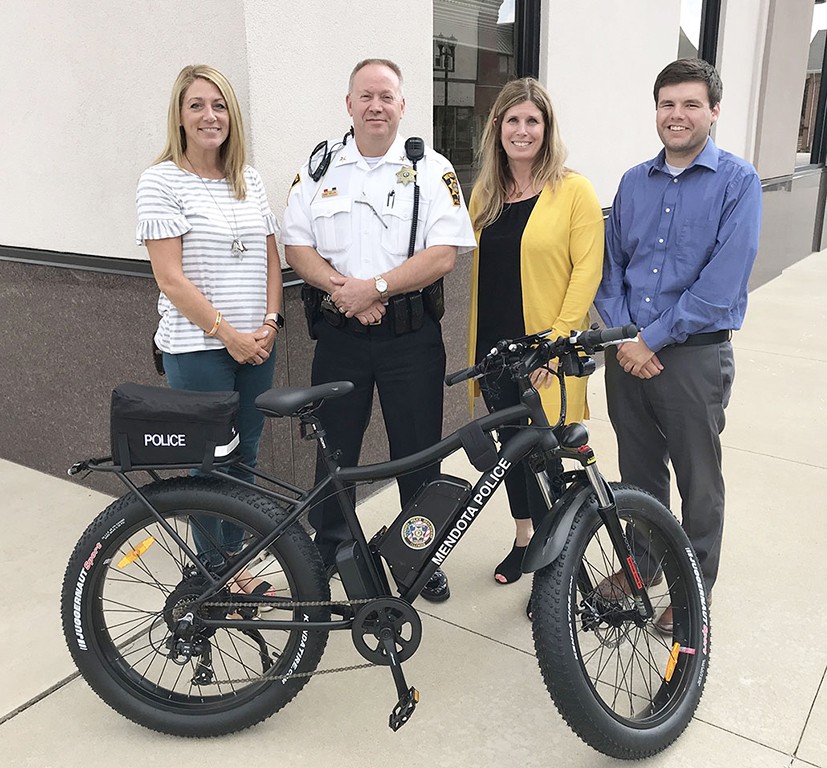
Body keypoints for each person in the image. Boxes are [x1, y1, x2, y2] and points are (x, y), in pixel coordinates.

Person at [282, 58, 477, 601]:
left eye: (386, 96)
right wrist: (345, 290)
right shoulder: (320, 170)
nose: (375, 106)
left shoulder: (433, 170)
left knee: (418, 452)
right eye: (365, 96)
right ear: (348, 104)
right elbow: (295, 245)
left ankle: (419, 558)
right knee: (333, 449)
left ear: (402, 106)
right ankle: (326, 552)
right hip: (341, 334)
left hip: (410, 340)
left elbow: (442, 256)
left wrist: (378, 288)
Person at [594, 58, 762, 632]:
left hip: (692, 356)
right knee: (638, 470)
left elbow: (720, 287)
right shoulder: (632, 182)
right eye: (668, 103)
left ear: (714, 111)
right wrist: (623, 337)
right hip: (627, 354)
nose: (678, 115)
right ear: (656, 109)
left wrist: (651, 339)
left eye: (692, 104)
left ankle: (695, 588)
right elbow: (610, 266)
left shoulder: (738, 183)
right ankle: (640, 565)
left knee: (698, 477)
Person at [136, 64, 284, 597]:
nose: (209, 116)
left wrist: (269, 322)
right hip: (200, 348)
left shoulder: (250, 178)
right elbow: (171, 280)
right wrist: (229, 334)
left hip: (256, 343)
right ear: (179, 115)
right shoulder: (160, 182)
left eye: (218, 105)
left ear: (232, 116)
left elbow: (271, 257)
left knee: (245, 456)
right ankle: (213, 575)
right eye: (197, 105)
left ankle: (232, 565)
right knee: (208, 464)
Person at [467, 78, 604, 586]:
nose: (522, 131)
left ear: (547, 129)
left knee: (548, 459)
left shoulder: (574, 191)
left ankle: (556, 567)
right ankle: (524, 537)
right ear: (497, 128)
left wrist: (554, 346)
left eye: (533, 121)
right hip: (495, 352)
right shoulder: (487, 193)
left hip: (544, 353)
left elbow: (587, 273)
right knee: (511, 452)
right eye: (512, 120)